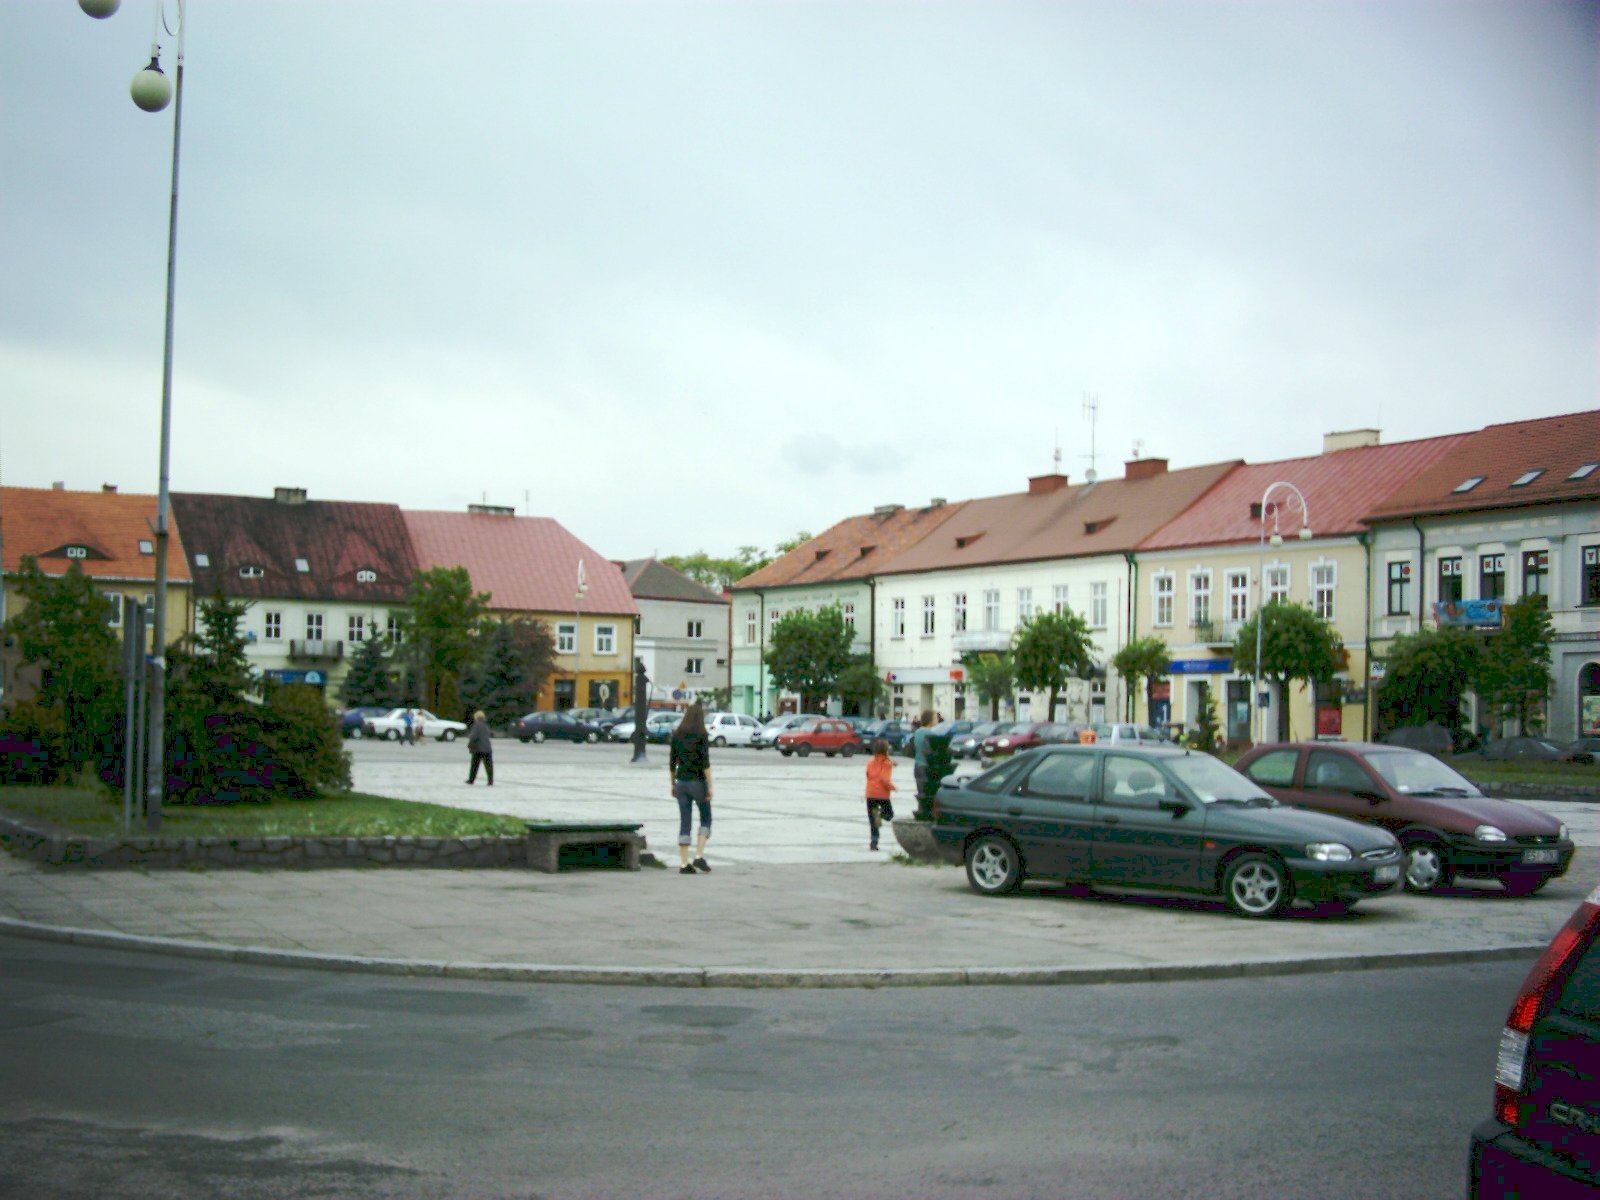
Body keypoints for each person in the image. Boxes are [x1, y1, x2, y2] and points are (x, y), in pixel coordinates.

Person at [668, 702, 713, 875]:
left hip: (681, 782)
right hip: (698, 782)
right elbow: (705, 764)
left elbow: (672, 764)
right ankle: (699, 855)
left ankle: (683, 863)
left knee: (684, 821)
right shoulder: (701, 735)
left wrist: (673, 784)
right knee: (706, 818)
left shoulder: (677, 735)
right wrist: (710, 786)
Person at [864, 738, 896, 851]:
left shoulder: (870, 762)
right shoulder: (887, 763)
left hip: (870, 793)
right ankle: (880, 815)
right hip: (882, 794)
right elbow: (884, 779)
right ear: (886, 750)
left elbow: (868, 774)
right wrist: (892, 787)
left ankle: (874, 843)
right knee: (889, 814)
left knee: (873, 822)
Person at [910, 709, 937, 802]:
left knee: (920, 793)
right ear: (930, 720)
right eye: (935, 717)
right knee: (927, 795)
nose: (937, 719)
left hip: (917, 764)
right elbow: (932, 752)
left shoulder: (917, 732)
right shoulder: (930, 734)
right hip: (926, 766)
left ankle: (920, 812)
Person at [466, 710, 493, 785]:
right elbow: (489, 734)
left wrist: (469, 745)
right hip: (487, 748)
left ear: (476, 717)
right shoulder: (485, 725)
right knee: (489, 766)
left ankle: (471, 780)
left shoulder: (476, 725)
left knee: (474, 765)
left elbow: (474, 736)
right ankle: (490, 781)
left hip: (478, 748)